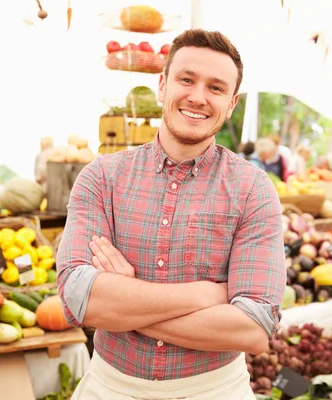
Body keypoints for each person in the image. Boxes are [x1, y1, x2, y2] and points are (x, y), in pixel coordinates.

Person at [57, 29, 285, 400]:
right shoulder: (101, 177)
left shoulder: (253, 190)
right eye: (186, 79)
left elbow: (253, 330)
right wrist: (208, 295)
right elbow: (81, 298)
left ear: (231, 104)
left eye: (215, 87)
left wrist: (126, 303)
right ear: (162, 85)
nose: (197, 96)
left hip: (214, 390)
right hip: (109, 387)